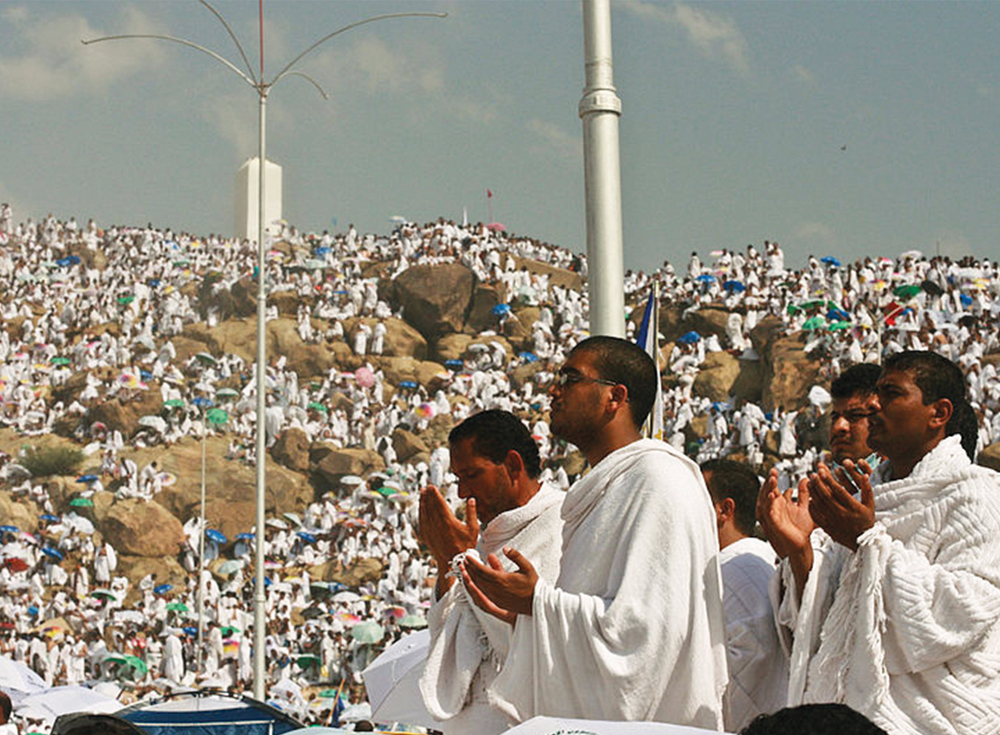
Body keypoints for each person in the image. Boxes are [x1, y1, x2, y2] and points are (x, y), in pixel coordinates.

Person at [461, 336, 727, 728]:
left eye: (570, 378)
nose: (554, 391)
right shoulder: (605, 488)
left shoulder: (658, 479)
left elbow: (648, 632)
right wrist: (526, 614)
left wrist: (538, 602)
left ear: (615, 397)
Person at [758, 351, 1000, 734]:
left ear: (938, 413)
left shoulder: (978, 496)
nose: (874, 404)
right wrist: (800, 553)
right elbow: (830, 628)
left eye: (891, 393)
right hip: (849, 719)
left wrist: (868, 542)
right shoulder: (866, 500)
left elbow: (963, 612)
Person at [418, 409, 564, 735]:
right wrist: (446, 563)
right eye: (458, 479)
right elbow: (447, 638)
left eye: (472, 475)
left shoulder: (562, 527)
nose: (462, 493)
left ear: (512, 465)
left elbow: (539, 645)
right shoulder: (485, 541)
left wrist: (462, 560)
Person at [762, 361, 881, 704]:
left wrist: (864, 539)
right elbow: (812, 624)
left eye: (855, 416)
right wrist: (797, 553)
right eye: (836, 416)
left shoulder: (899, 494)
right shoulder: (819, 497)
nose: (840, 427)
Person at [701, 459, 788, 732]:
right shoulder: (739, 564)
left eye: (697, 499)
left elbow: (752, 662)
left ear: (724, 510)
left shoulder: (739, 569)